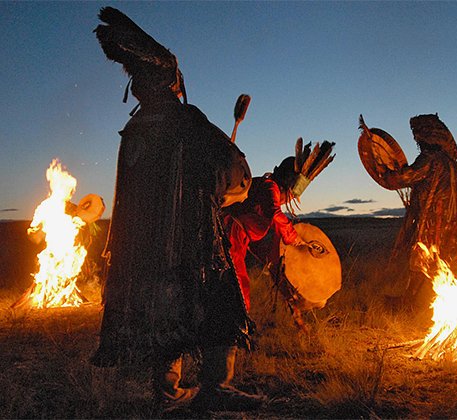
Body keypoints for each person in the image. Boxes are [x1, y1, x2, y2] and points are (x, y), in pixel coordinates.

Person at [89, 7, 262, 413]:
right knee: (218, 302)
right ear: (171, 82)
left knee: (161, 309)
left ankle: (167, 391)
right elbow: (232, 171)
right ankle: (217, 386)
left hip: (141, 247)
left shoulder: (135, 129)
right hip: (191, 241)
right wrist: (224, 186)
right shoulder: (185, 121)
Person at [223, 140, 335, 314]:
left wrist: (283, 282)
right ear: (287, 186)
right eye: (291, 196)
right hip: (230, 233)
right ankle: (235, 331)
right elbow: (275, 214)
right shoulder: (270, 187)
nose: (289, 201)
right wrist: (293, 237)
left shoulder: (266, 193)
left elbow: (264, 247)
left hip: (235, 236)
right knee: (237, 285)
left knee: (232, 284)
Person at [383, 114, 457, 306]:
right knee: (443, 259)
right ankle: (429, 302)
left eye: (417, 135)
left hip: (434, 222)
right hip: (453, 223)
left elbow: (405, 178)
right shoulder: (450, 162)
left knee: (424, 257)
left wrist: (387, 173)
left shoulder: (429, 158)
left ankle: (413, 304)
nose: (416, 139)